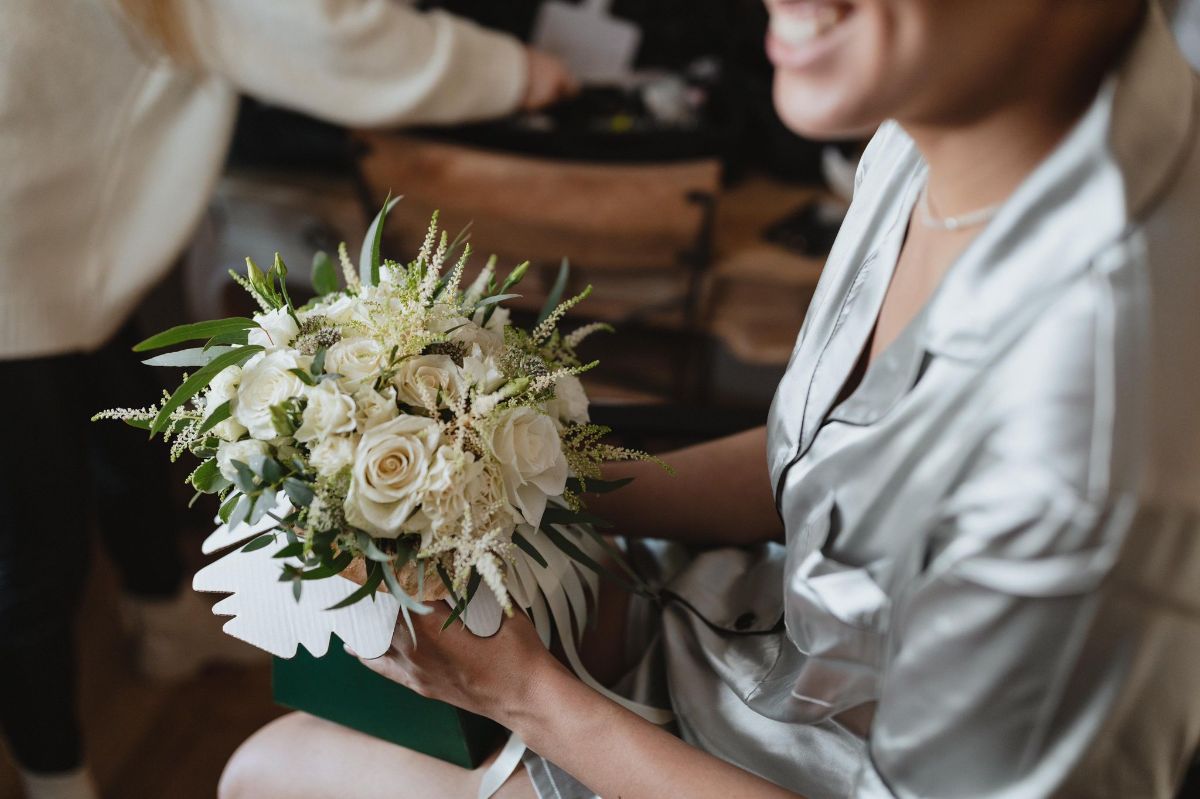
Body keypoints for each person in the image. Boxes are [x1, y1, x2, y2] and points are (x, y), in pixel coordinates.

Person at [220, 0, 1200, 797]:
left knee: (265, 772)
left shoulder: (1086, 436)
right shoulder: (941, 118)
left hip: (814, 764)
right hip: (759, 635)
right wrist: (510, 471)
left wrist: (531, 698)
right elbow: (811, 465)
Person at [0, 1, 575, 798]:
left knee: (123, 429)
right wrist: (518, 74)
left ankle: (162, 617)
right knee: (33, 547)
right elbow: (325, 31)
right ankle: (54, 774)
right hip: (16, 249)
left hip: (49, 219)